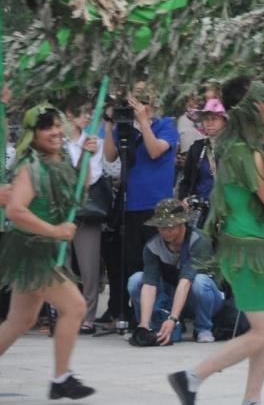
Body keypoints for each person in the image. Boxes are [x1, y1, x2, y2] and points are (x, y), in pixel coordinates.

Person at [167, 75, 264, 405]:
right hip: (246, 251)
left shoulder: (243, 140)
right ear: (249, 109)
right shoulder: (250, 154)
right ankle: (192, 377)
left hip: (254, 248)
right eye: (263, 100)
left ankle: (252, 398)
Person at [0, 104, 96, 399]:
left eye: (57, 125)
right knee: (75, 307)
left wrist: (86, 160)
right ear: (33, 133)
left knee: (20, 321)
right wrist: (54, 231)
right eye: (46, 127)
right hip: (32, 251)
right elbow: (15, 211)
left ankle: (61, 378)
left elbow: (77, 193)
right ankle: (61, 379)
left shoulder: (62, 159)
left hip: (42, 248)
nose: (55, 132)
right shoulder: (30, 167)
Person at [101, 82, 180, 323]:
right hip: (131, 205)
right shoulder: (126, 125)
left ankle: (161, 313)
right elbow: (110, 156)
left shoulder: (166, 124)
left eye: (144, 96)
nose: (140, 100)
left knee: (157, 262)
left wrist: (144, 121)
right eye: (136, 96)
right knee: (133, 261)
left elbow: (155, 150)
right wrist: (110, 123)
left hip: (158, 206)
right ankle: (136, 315)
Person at [128, 198, 222, 345]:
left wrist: (172, 319)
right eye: (161, 227)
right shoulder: (152, 246)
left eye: (170, 226)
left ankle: (203, 328)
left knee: (200, 282)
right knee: (135, 280)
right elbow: (150, 284)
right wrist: (143, 324)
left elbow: (185, 282)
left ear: (182, 223)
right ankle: (148, 327)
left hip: (200, 297)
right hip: (171, 295)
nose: (165, 231)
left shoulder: (199, 240)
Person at [62, 92, 107, 335]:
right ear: (70, 115)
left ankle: (88, 317)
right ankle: (65, 312)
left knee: (89, 268)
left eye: (91, 112)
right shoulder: (58, 142)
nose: (89, 116)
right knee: (62, 266)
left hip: (85, 213)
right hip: (60, 212)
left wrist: (85, 154)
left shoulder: (94, 143)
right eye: (84, 112)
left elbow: (89, 181)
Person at [177, 99, 222, 204]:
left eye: (214, 119)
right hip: (201, 206)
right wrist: (184, 199)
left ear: (225, 121)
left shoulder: (233, 147)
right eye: (206, 119)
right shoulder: (197, 147)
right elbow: (186, 180)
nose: (209, 123)